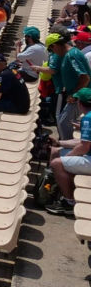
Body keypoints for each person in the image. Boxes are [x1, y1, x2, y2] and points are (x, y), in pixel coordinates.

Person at [46, 88, 91, 216]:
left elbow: (83, 147)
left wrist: (68, 158)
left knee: (56, 163)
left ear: (79, 103)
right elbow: (83, 143)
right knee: (56, 151)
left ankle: (69, 203)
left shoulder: (88, 119)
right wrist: (59, 143)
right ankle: (59, 189)